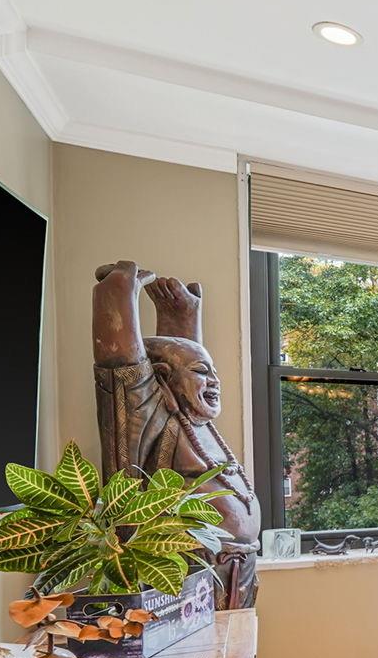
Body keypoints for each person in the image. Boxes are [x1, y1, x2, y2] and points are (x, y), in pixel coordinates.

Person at [92, 259, 260, 607]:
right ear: (161, 378)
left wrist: (183, 319)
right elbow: (127, 370)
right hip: (189, 574)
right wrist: (120, 294)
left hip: (237, 575)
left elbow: (179, 365)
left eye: (215, 373)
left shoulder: (197, 424)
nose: (215, 382)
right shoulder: (157, 419)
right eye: (204, 372)